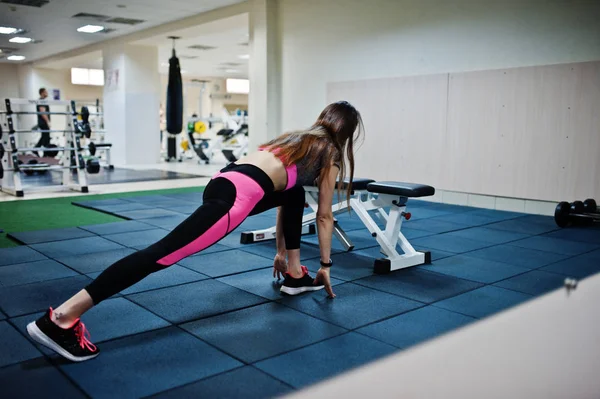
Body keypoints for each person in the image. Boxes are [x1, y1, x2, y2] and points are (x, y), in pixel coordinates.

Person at [26, 101, 364, 362]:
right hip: (237, 199)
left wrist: (281, 252)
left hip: (223, 182)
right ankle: (61, 319)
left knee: (291, 194)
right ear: (346, 133)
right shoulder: (330, 154)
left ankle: (293, 274)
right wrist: (326, 265)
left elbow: (286, 197)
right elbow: (323, 216)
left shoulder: (296, 140)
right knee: (158, 255)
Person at [34, 88, 51, 155]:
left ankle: (37, 149)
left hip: (42, 122)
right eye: (45, 92)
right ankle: (44, 152)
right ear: (42, 93)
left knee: (44, 136)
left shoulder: (42, 101)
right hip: (43, 122)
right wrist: (48, 122)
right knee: (46, 137)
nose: (47, 93)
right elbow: (42, 112)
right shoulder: (41, 101)